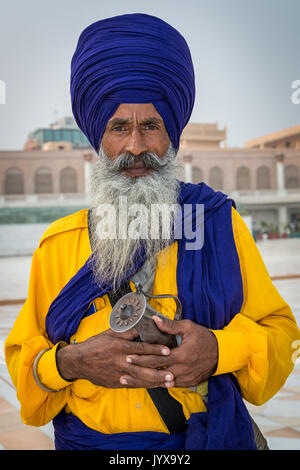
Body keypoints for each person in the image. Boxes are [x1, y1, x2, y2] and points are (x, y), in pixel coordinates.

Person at [5, 13, 300, 451]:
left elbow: (281, 336)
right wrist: (71, 362)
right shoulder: (59, 245)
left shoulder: (215, 224)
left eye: (151, 126)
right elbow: (25, 375)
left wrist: (220, 350)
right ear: (97, 139)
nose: (136, 146)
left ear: (172, 135)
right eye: (118, 127)